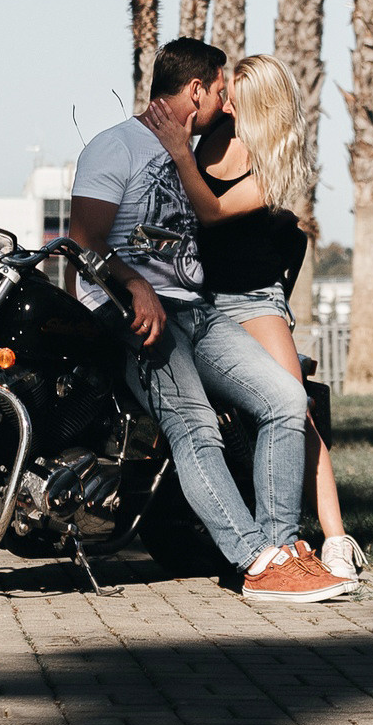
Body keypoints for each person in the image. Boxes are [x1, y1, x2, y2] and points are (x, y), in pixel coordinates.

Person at [66, 39, 355, 603]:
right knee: (194, 424)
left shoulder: (192, 156)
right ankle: (256, 559)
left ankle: (285, 549)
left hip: (197, 309)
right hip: (134, 310)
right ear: (196, 90)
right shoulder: (114, 148)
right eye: (223, 92)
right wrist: (134, 285)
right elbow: (83, 243)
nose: (227, 105)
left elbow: (215, 210)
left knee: (288, 401)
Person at [142, 54, 365, 580]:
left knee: (294, 408)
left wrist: (178, 155)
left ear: (256, 98)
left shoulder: (272, 162)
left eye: (233, 86)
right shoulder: (213, 130)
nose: (223, 93)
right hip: (196, 297)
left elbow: (211, 211)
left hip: (250, 299)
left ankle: (335, 538)